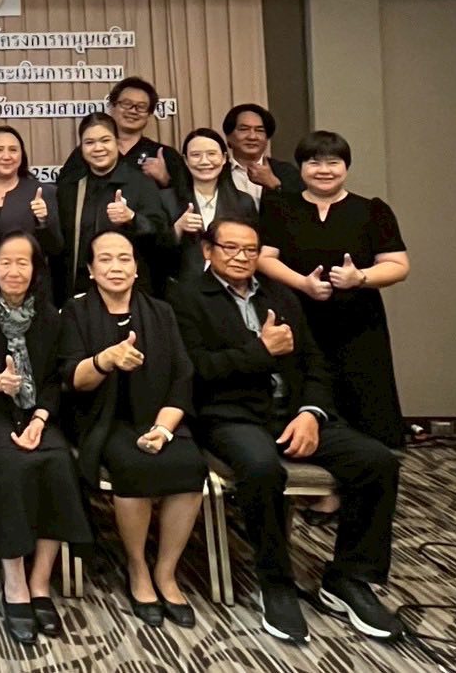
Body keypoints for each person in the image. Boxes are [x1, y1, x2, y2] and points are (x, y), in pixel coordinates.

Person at [172, 218, 402, 645]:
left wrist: (312, 412)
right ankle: (275, 582)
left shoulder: (280, 295)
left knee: (377, 462)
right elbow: (195, 371)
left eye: (250, 250)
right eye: (230, 248)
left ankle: (349, 578)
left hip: (294, 413)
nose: (240, 257)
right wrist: (259, 351)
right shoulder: (185, 297)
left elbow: (316, 363)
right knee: (262, 469)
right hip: (230, 415)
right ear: (207, 250)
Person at [60, 232, 207, 629]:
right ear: (91, 270)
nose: (116, 267)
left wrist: (163, 428)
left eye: (124, 259)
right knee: (133, 465)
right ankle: (138, 566)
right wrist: (104, 360)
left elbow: (182, 376)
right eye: (105, 259)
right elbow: (71, 379)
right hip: (101, 420)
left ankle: (166, 571)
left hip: (158, 418)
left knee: (190, 465)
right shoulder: (75, 312)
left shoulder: (161, 311)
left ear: (136, 267)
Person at [0, 232, 91, 645]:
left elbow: (52, 380)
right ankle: (14, 581)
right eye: (5, 262)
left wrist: (41, 418)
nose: (13, 271)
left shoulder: (49, 315)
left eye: (22, 263)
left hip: (34, 413)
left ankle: (40, 582)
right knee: (13, 465)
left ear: (35, 269)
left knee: (60, 462)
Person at [257, 131, 410, 448]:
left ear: (346, 166)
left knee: (365, 401)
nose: (324, 170)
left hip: (359, 321)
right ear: (301, 167)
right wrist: (303, 283)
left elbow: (398, 265)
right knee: (303, 389)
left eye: (333, 162)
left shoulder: (372, 210)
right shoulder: (279, 207)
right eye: (314, 163)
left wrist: (360, 278)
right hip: (297, 316)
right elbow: (264, 258)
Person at [55, 113, 168, 297]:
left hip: (130, 293)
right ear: (81, 147)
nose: (98, 148)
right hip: (80, 292)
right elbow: (59, 247)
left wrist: (132, 219)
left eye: (105, 140)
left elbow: (163, 236)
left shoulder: (141, 183)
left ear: (117, 142)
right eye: (89, 142)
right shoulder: (70, 187)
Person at [0, 125, 62, 292]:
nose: (7, 156)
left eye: (13, 150)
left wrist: (43, 221)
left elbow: (55, 249)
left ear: (21, 155)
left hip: (30, 289)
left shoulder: (43, 192)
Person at [58, 76, 188, 193]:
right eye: (126, 104)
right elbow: (63, 190)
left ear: (149, 113)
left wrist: (165, 179)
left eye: (141, 107)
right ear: (112, 106)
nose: (133, 111)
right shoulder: (91, 151)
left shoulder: (165, 155)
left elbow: (187, 198)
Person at [161, 128, 257, 286]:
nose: (204, 161)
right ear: (185, 160)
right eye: (196, 155)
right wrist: (177, 229)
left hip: (230, 286)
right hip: (182, 288)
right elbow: (153, 252)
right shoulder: (166, 199)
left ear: (224, 158)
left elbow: (253, 249)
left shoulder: (243, 201)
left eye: (211, 154)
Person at [222, 104, 302, 207]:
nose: (252, 137)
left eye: (260, 130)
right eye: (244, 129)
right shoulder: (219, 173)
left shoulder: (287, 172)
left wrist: (274, 185)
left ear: (267, 138)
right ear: (228, 137)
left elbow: (303, 211)